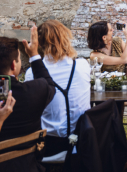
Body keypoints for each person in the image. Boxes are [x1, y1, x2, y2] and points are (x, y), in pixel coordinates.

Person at [0, 26, 56, 141]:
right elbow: (50, 85)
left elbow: (3, 90)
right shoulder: (35, 90)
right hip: (27, 157)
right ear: (13, 65)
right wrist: (34, 55)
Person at [24, 20, 91, 157]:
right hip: (84, 142)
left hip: (49, 146)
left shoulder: (32, 73)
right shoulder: (83, 65)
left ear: (40, 44)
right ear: (66, 38)